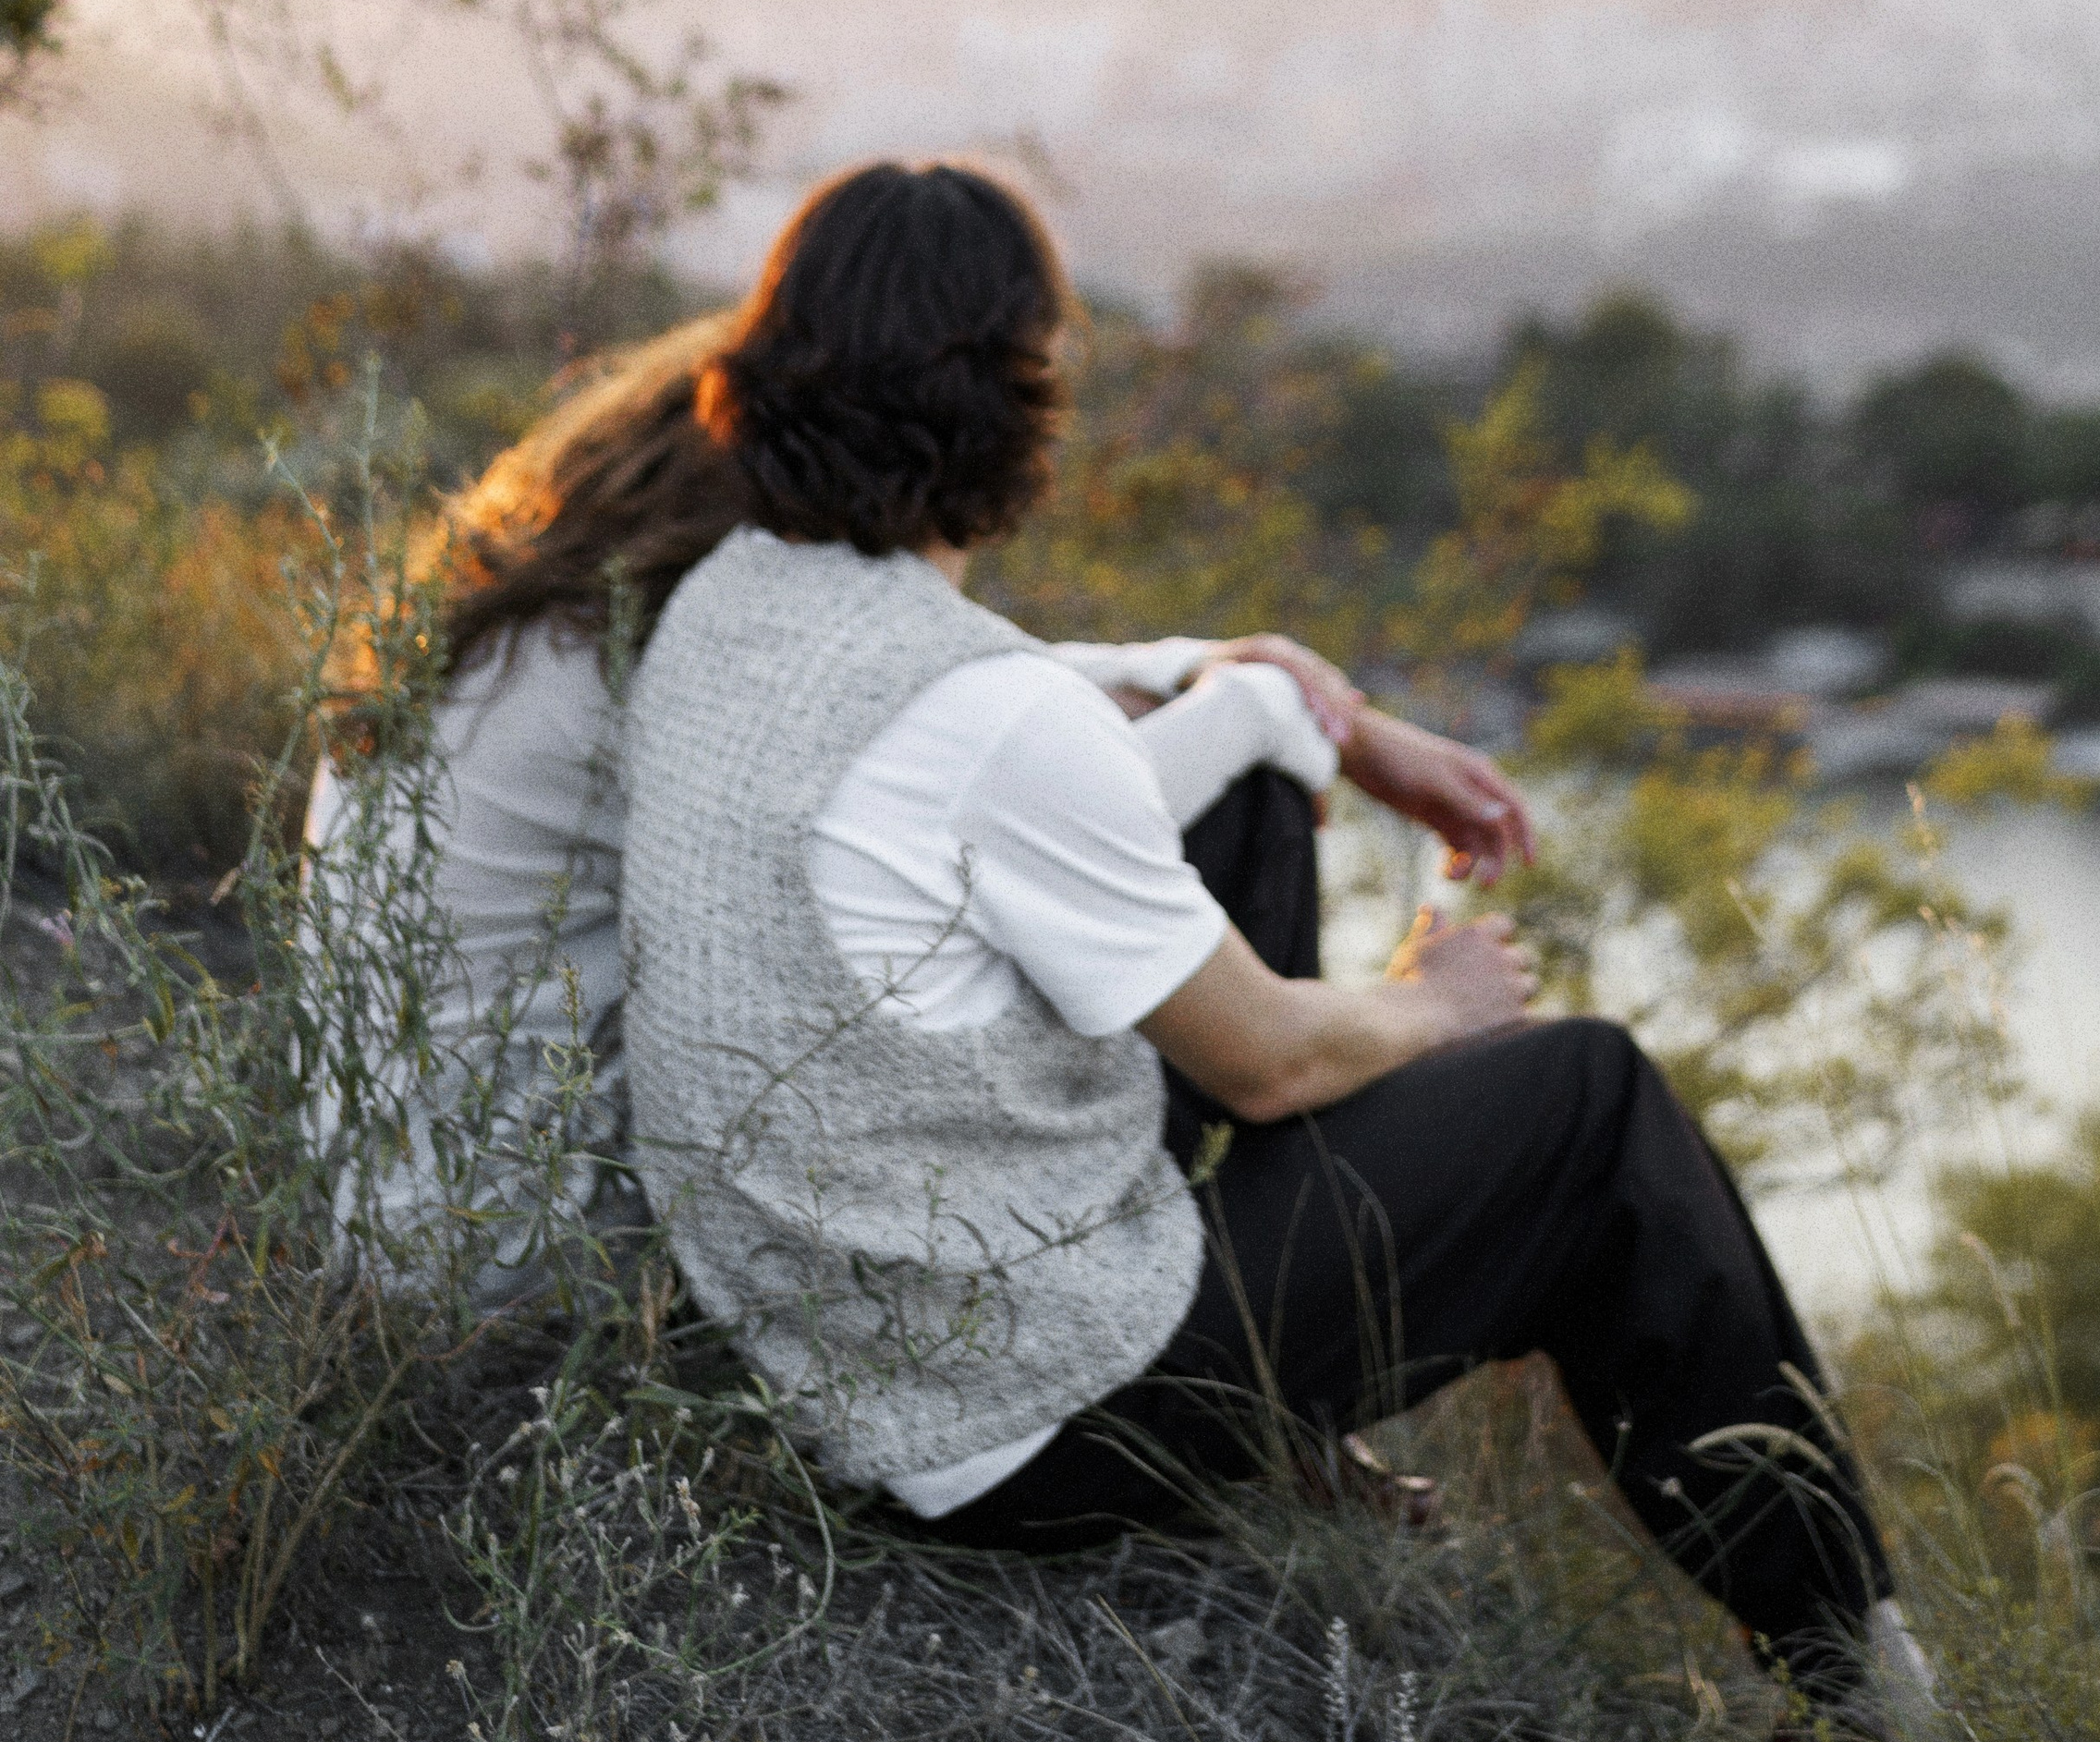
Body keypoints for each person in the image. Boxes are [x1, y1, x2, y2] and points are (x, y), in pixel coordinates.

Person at [621, 160, 1939, 1742]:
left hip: (839, 1358)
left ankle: (1301, 1410)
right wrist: (1435, 1001)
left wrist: (1313, 716)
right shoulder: (985, 721)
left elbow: (1026, 713)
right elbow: (1274, 1058)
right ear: (1016, 393)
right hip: (1011, 1426)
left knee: (1242, 777)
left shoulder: (729, 607)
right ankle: (1858, 1680)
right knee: (1590, 1107)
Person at [301, 207, 1530, 1308]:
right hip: (535, 1252)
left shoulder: (571, 598)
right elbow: (1002, 811)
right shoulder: (688, 630)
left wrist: (1220, 667)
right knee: (1155, 858)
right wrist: (1263, 709)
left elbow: (942, 713)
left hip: (414, 1205)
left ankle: (1240, 1321)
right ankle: (1248, 1329)